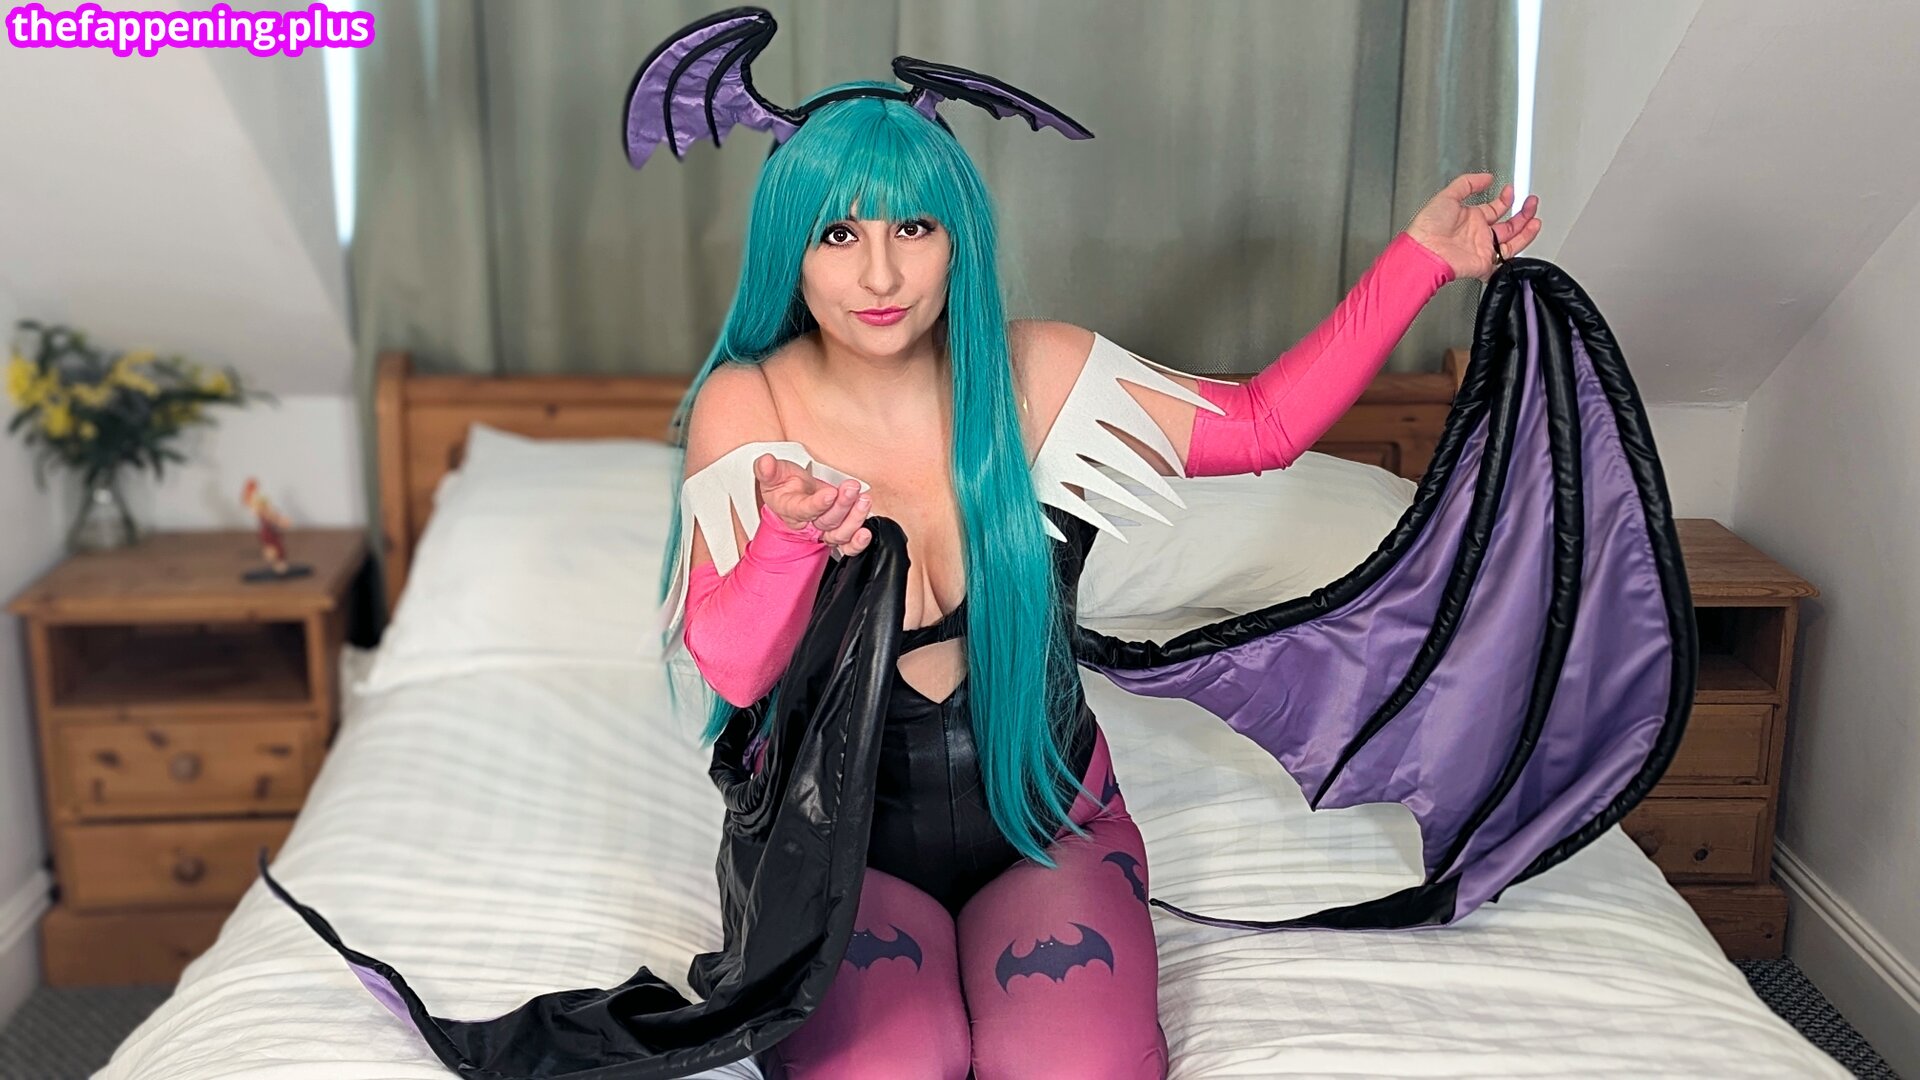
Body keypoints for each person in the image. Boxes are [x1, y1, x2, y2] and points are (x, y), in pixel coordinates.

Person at [660, 69, 1539, 1080]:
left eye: (914, 228)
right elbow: (733, 669)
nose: (882, 275)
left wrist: (1420, 261)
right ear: (792, 248)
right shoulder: (750, 402)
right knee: (892, 1066)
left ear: (958, 237)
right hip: (838, 846)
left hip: (1049, 821)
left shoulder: (1039, 371)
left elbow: (1263, 426)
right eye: (838, 235)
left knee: (1078, 1067)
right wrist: (785, 541)